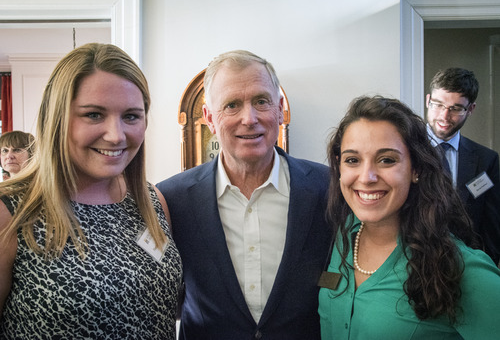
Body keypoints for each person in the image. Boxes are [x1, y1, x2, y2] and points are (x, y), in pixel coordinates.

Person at [0, 43, 182, 339]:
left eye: (131, 116)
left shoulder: (151, 201)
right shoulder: (12, 210)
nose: (116, 135)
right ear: (56, 119)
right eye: (94, 115)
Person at [156, 50, 332, 339]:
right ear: (210, 118)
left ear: (279, 109)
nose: (249, 119)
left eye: (261, 101)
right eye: (232, 105)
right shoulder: (171, 199)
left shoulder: (327, 189)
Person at [319, 96, 500, 339]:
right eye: (353, 160)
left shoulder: (461, 268)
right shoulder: (341, 236)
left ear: (415, 169)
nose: (367, 177)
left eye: (387, 160)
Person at [426, 67, 500, 264]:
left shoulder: (487, 160)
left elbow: (491, 228)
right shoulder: (403, 151)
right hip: (409, 265)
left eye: (456, 108)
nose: (444, 116)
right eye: (438, 104)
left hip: (466, 265)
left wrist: (485, 267)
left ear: (471, 109)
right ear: (427, 101)